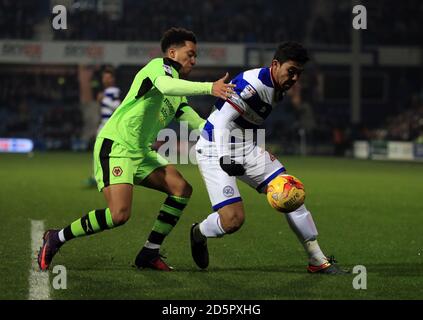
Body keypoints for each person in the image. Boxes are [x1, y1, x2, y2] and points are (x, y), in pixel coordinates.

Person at [38, 27, 236, 271]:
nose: (193, 60)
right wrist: (209, 88)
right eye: (190, 54)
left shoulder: (178, 96)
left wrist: (232, 137)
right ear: (172, 52)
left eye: (195, 56)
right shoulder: (158, 67)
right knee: (119, 215)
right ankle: (56, 238)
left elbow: (199, 125)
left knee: (181, 188)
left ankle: (149, 252)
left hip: (141, 153)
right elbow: (165, 86)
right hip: (117, 145)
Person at [190, 42, 348, 274]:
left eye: (299, 74)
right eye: (291, 71)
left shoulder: (278, 85)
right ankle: (198, 232)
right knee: (233, 221)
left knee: (290, 191)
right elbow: (223, 120)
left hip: (245, 147)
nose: (294, 78)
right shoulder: (251, 84)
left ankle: (317, 260)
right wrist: (224, 157)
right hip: (215, 147)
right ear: (275, 64)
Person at [86, 66, 121, 187]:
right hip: (104, 124)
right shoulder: (106, 92)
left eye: (108, 77)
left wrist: (103, 100)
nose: (105, 80)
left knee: (100, 151)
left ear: (113, 79)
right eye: (104, 77)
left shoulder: (113, 91)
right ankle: (98, 176)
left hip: (109, 125)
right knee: (101, 151)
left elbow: (117, 107)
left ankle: (98, 177)